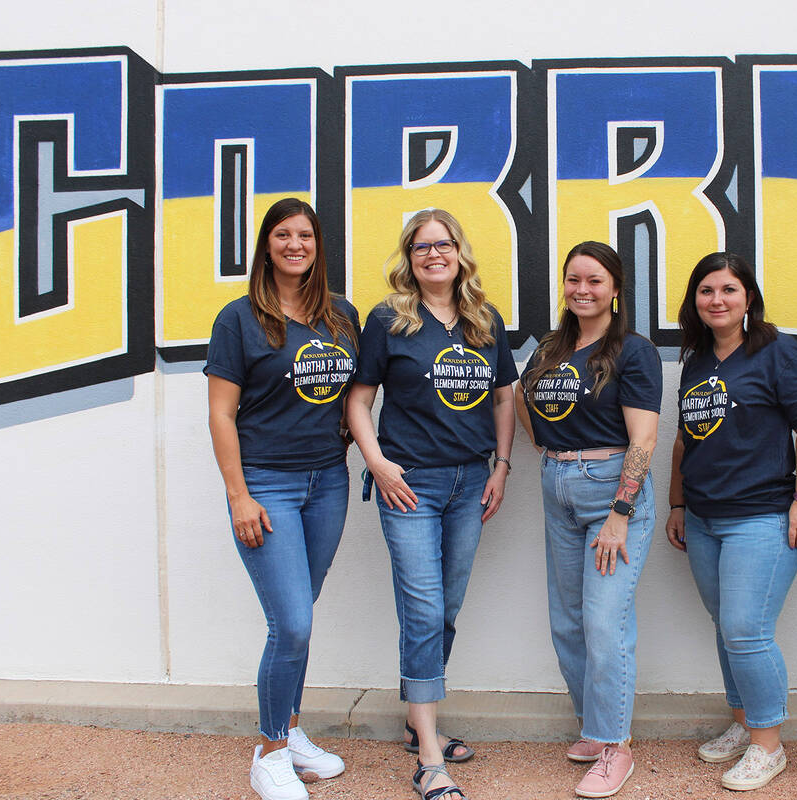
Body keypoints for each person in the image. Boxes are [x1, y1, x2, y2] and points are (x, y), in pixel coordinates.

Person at [345, 208, 516, 800]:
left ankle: (419, 717)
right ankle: (427, 754)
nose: (433, 255)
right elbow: (359, 400)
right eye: (421, 247)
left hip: (471, 483)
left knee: (446, 606)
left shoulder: (484, 320)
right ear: (409, 257)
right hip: (409, 484)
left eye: (443, 244)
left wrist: (501, 465)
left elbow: (502, 400)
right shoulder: (389, 321)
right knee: (422, 608)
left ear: (459, 252)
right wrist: (378, 463)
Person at [206, 198, 360, 800]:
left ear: (318, 245)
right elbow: (221, 414)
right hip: (266, 485)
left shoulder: (340, 316)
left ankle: (291, 731)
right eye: (283, 234)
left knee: (300, 614)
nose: (295, 244)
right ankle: (269, 751)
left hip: (328, 481)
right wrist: (238, 495)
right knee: (291, 622)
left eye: (305, 235)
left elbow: (354, 397)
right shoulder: (238, 318)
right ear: (266, 245)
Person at [664, 252, 797, 791]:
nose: (717, 299)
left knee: (746, 630)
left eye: (728, 290)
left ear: (748, 298)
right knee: (727, 627)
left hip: (762, 516)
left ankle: (768, 745)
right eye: (707, 291)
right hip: (706, 517)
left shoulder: (779, 352)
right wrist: (678, 504)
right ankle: (742, 724)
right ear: (696, 302)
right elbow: (686, 439)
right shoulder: (697, 361)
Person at [515, 241, 662, 799]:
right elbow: (527, 404)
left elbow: (644, 439)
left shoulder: (633, 351)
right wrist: (554, 454)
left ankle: (615, 746)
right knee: (569, 620)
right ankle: (595, 729)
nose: (582, 289)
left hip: (612, 495)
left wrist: (621, 513)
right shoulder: (551, 349)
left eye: (594, 280)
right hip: (558, 487)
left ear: (615, 289)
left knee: (604, 620)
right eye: (573, 279)